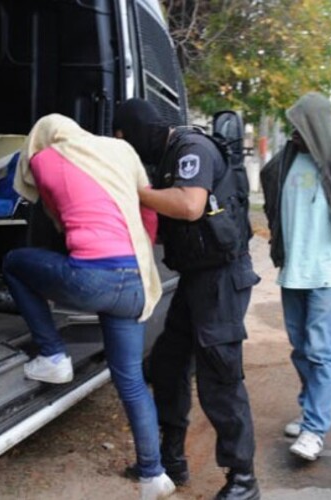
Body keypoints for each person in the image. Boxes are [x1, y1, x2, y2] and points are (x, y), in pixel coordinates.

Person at [3, 114, 175, 499]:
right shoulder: (122, 149)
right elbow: (147, 210)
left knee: (15, 262)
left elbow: (52, 212)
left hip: (91, 278)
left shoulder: (46, 157)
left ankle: (53, 355)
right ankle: (153, 475)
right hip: (135, 282)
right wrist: (138, 253)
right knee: (130, 380)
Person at [113, 99, 261, 500]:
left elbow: (190, 206)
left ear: (141, 130)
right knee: (168, 364)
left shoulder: (190, 149)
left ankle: (243, 480)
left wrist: (138, 193)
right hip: (197, 278)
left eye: (126, 138)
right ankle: (172, 459)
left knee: (220, 377)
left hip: (221, 280)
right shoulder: (165, 157)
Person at [261, 92, 331, 461]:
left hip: (328, 273)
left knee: (323, 354)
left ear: (316, 126)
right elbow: (268, 195)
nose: (294, 131)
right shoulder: (282, 165)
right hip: (294, 271)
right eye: (292, 125)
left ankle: (315, 429)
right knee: (301, 350)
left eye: (301, 125)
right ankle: (310, 410)